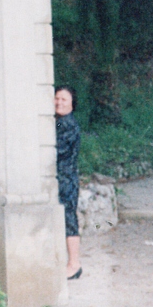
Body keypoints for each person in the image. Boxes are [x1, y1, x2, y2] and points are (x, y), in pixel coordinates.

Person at [55, 85, 82, 280]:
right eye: (56, 98)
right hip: (61, 177)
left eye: (64, 99)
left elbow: (59, 152)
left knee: (69, 219)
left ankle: (74, 264)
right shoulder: (59, 122)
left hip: (67, 178)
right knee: (66, 219)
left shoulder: (68, 124)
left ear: (72, 104)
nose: (59, 102)